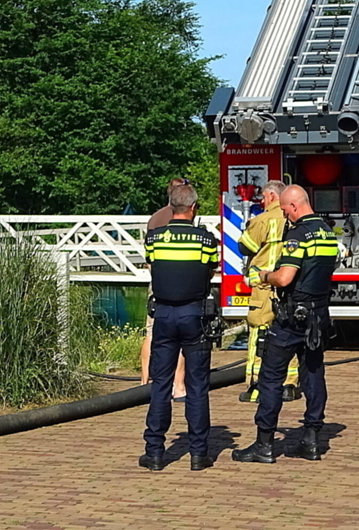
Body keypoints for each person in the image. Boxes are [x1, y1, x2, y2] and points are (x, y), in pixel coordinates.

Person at [233, 185, 337, 464]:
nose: (285, 216)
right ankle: (312, 440)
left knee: (270, 377)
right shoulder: (327, 232)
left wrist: (264, 276)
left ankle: (264, 444)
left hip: (293, 317)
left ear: (292, 206)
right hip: (318, 316)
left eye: (286, 210)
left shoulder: (298, 233)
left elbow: (285, 278)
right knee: (313, 376)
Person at [139, 183, 219, 472]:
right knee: (197, 387)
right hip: (194, 314)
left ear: (171, 207)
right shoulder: (206, 241)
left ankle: (155, 452)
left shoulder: (155, 239)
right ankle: (199, 454)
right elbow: (210, 270)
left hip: (163, 315)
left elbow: (152, 264)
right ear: (194, 208)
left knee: (161, 384)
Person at [238, 180, 301, 403]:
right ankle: (289, 385)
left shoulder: (263, 220)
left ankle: (257, 386)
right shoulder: (295, 220)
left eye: (264, 197)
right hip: (289, 286)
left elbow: (244, 246)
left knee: (259, 334)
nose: (263, 202)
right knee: (288, 332)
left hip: (265, 288)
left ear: (273, 197)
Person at [140, 178, 188, 401]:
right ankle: (178, 386)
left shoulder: (155, 218)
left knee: (151, 332)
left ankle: (144, 382)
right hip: (182, 284)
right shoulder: (185, 218)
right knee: (180, 335)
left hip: (157, 281)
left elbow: (148, 257)